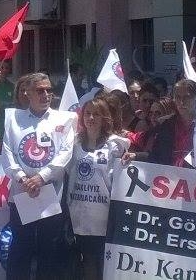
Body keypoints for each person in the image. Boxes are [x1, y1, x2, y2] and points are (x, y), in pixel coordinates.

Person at [1, 72, 76, 280]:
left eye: (49, 90)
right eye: (40, 90)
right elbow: (7, 152)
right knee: (20, 248)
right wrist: (23, 179)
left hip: (51, 193)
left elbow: (65, 153)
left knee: (50, 249)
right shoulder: (13, 119)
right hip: (22, 193)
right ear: (27, 93)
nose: (46, 94)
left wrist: (41, 177)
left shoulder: (65, 119)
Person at [67, 97, 128, 279]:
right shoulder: (73, 143)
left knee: (100, 260)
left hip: (103, 215)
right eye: (88, 113)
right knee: (85, 260)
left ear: (104, 119)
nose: (91, 118)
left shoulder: (114, 145)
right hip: (77, 213)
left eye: (96, 114)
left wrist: (130, 157)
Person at [125, 80, 196, 176]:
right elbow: (156, 155)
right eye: (178, 98)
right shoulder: (166, 125)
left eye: (186, 97)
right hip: (170, 184)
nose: (181, 102)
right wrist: (135, 156)